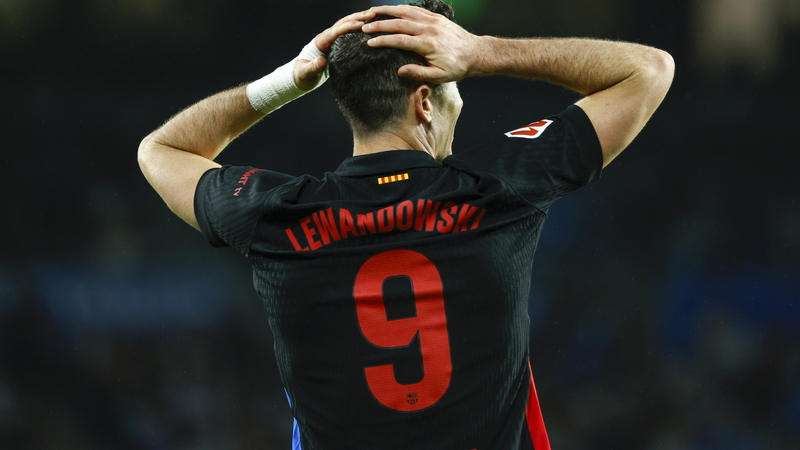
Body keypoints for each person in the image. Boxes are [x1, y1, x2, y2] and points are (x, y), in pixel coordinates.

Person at [138, 1, 674, 449]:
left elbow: (161, 150)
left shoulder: (277, 214)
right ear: (424, 104)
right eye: (455, 89)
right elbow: (647, 70)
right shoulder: (496, 189)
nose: (459, 105)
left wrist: (286, 83)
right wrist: (482, 52)